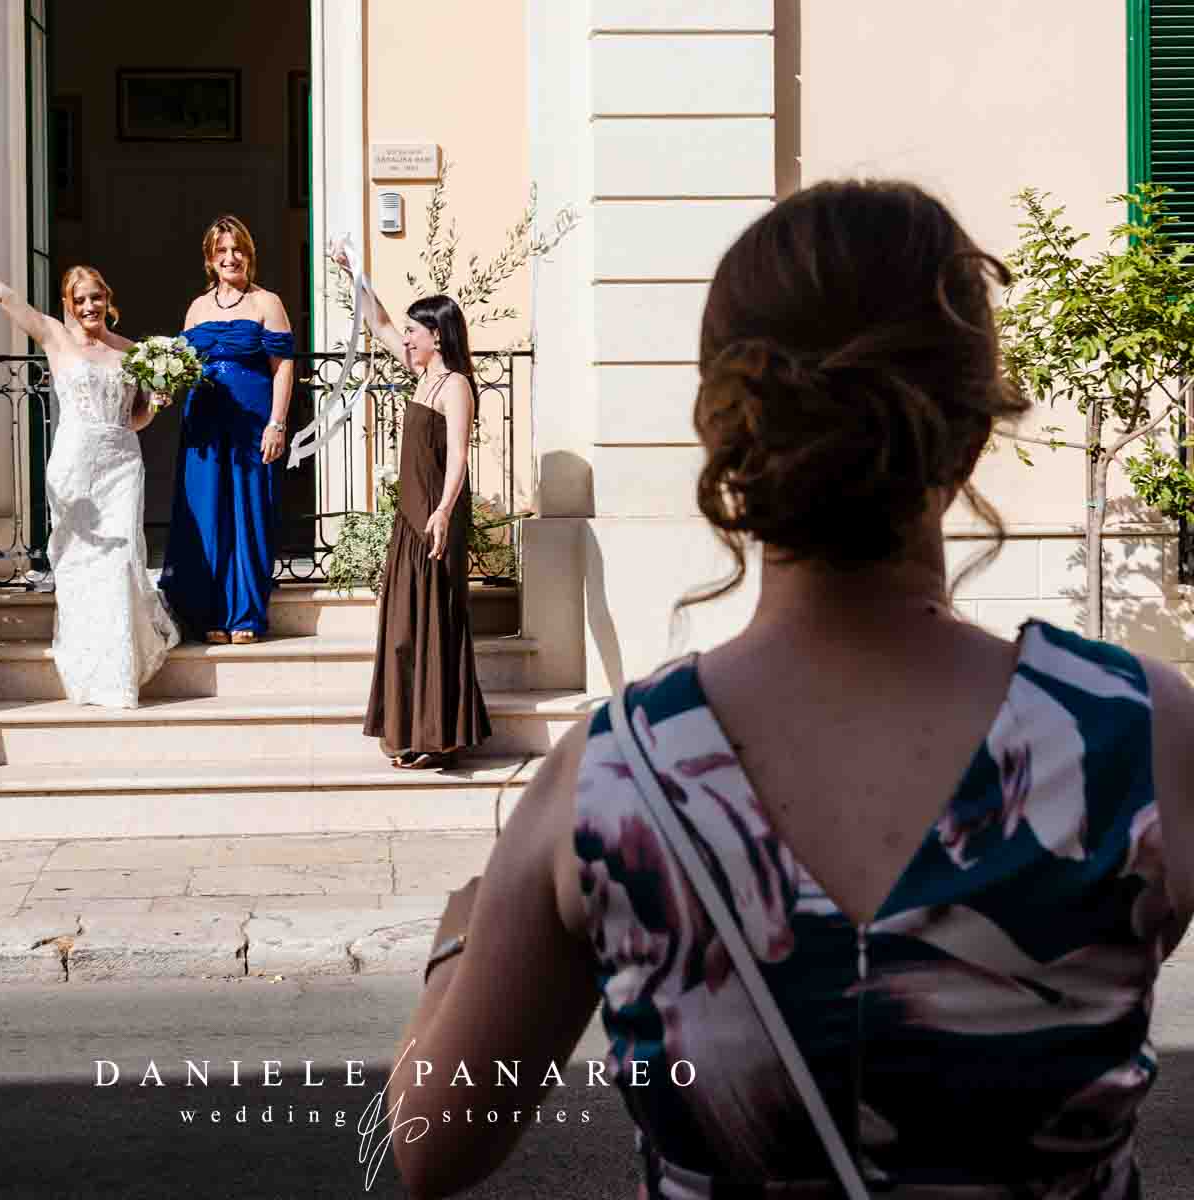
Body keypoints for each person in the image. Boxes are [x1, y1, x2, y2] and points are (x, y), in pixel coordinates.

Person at [379, 181, 1194, 1198]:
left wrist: (459, 939)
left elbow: (429, 1148)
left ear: (727, 433)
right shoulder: (1138, 734)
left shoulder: (610, 777)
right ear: (972, 428)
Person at [0, 212, 180, 707]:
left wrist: (157, 405)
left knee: (121, 561)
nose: (89, 306)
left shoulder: (133, 352)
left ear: (108, 299)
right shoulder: (56, 337)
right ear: (68, 306)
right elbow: (2, 295)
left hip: (122, 462)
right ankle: (89, 665)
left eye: (96, 297)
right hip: (75, 463)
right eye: (80, 300)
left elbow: (134, 419)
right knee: (81, 564)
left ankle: (118, 674)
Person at [331, 250, 490, 769]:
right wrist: (354, 272)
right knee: (403, 625)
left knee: (434, 623)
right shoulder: (421, 376)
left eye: (413, 332)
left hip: (437, 517)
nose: (405, 338)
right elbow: (377, 322)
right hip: (411, 516)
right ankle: (409, 730)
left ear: (436, 336)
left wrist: (443, 511)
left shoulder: (455, 386)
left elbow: (460, 456)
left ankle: (436, 737)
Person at [162, 215, 295, 645]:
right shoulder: (196, 308)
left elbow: (283, 367)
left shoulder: (266, 303)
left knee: (249, 510)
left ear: (248, 254)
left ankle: (245, 614)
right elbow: (181, 365)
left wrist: (277, 422)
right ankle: (209, 613)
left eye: (237, 249)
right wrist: (161, 385)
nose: (230, 257)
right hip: (203, 424)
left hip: (251, 421)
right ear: (209, 258)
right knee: (206, 512)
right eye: (221, 250)